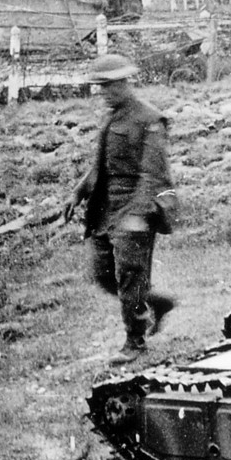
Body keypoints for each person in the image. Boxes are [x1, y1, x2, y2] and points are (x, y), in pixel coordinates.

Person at [64, 54, 177, 364]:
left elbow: (153, 175)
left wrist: (137, 215)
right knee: (102, 274)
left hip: (136, 208)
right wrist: (78, 192)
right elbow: (100, 166)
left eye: (109, 85)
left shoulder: (149, 119)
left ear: (125, 82)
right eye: (100, 86)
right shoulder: (112, 119)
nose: (104, 92)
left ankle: (134, 341)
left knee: (130, 277)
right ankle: (157, 303)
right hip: (105, 209)